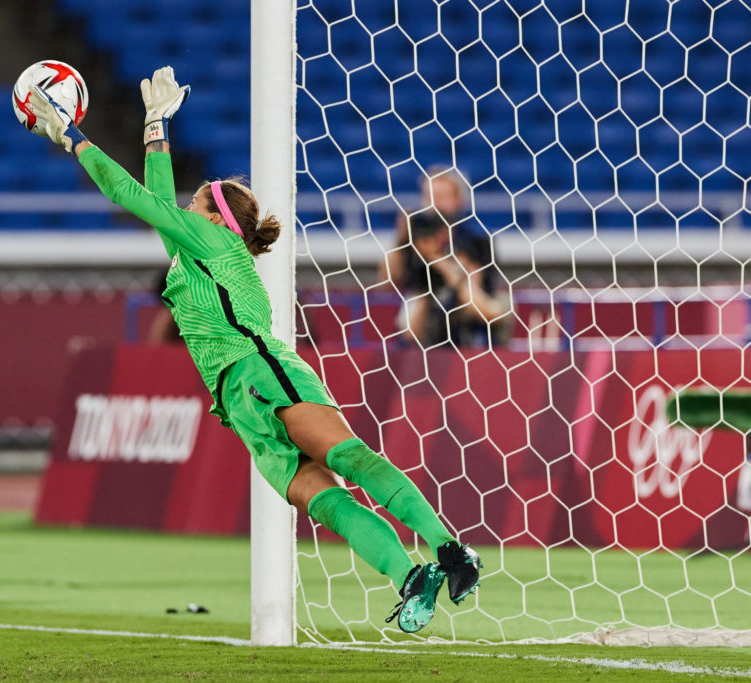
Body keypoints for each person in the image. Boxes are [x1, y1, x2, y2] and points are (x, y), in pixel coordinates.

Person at [26, 66, 481, 633]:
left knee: (348, 460)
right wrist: (155, 127)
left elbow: (130, 194)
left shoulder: (213, 241)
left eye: (193, 205)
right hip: (238, 402)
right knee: (323, 501)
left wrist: (72, 136)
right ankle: (408, 578)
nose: (182, 211)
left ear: (217, 218)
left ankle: (450, 551)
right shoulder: (196, 249)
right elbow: (155, 199)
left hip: (261, 370)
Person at [383, 167, 510, 348]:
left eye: (442, 197)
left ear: (458, 199)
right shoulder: (417, 237)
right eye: (429, 197)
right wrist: (401, 240)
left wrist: (437, 260)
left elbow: (480, 298)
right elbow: (387, 280)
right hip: (425, 321)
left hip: (469, 319)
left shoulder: (477, 238)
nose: (434, 205)